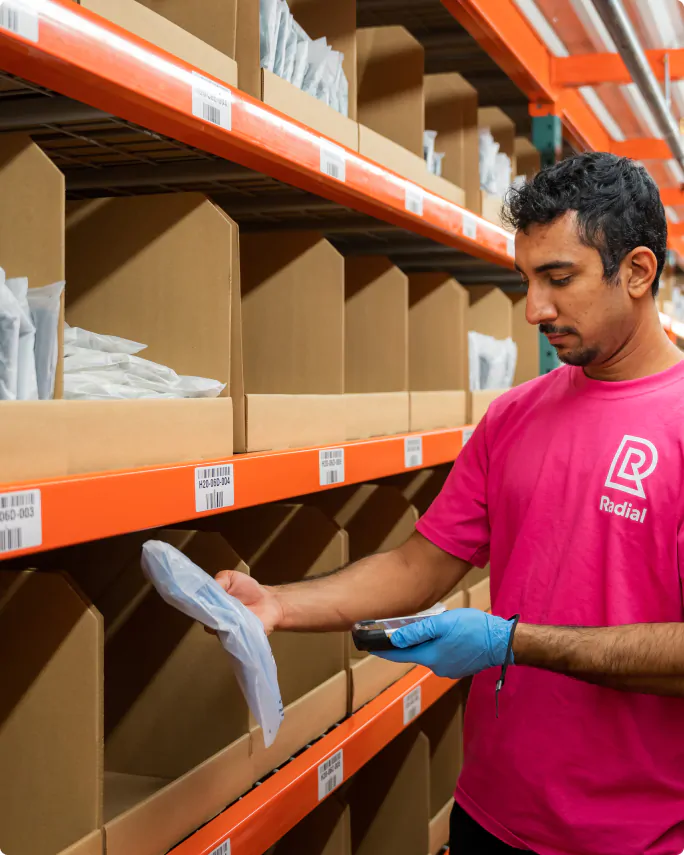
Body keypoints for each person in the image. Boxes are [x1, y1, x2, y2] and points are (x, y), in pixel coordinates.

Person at [216, 152, 684, 855]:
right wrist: (281, 604)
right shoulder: (514, 416)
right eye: (526, 280)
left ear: (639, 272)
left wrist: (512, 641)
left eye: (559, 279)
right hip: (488, 814)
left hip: (632, 837)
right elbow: (421, 564)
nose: (534, 310)